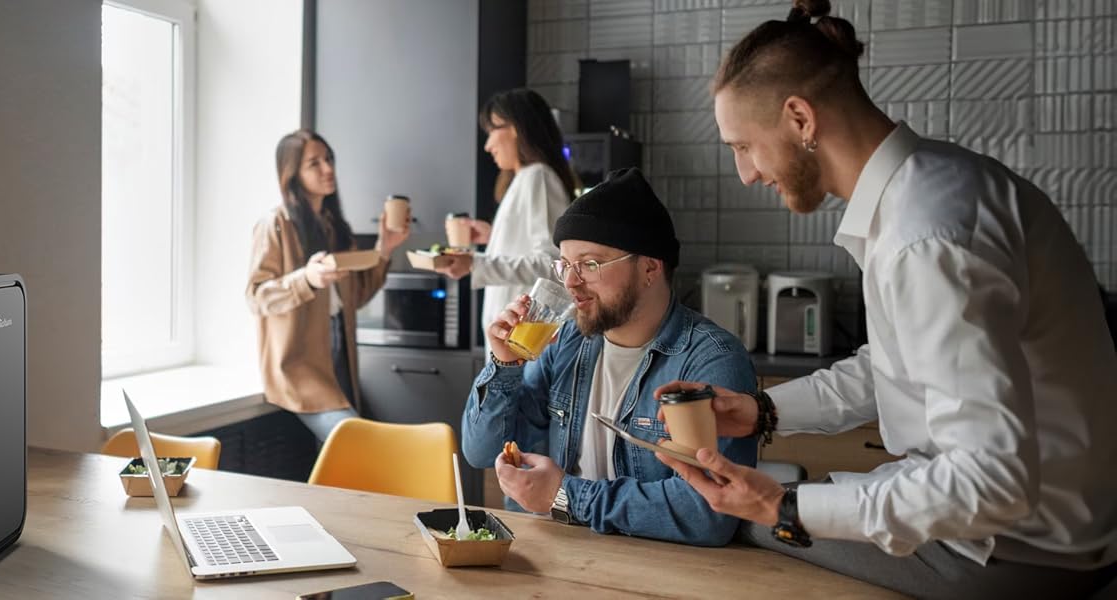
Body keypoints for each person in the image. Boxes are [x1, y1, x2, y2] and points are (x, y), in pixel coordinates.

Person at [652, 1, 1117, 597]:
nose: (746, 173)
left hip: (1017, 551)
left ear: (799, 117)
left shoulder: (922, 237)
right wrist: (761, 410)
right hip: (1052, 525)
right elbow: (893, 366)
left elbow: (991, 483)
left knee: (731, 527)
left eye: (743, 146)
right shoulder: (939, 184)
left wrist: (782, 505)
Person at [460, 168, 758, 546]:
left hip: (659, 572)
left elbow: (707, 515)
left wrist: (566, 495)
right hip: (554, 559)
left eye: (589, 264)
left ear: (650, 267)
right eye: (564, 264)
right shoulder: (567, 343)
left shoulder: (711, 361)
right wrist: (504, 366)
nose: (570, 282)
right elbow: (481, 451)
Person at [246, 130, 410, 442]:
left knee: (350, 457)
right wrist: (306, 279)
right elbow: (256, 297)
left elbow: (357, 297)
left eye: (329, 159)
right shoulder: (274, 225)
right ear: (292, 173)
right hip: (299, 366)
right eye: (314, 163)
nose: (328, 169)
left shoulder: (334, 227)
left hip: (339, 356)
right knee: (356, 444)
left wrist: (385, 249)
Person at [435, 88, 577, 340]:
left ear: (517, 128)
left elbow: (552, 263)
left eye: (492, 131)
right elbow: (533, 251)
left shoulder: (538, 177)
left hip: (525, 342)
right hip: (514, 342)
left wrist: (476, 263)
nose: (488, 145)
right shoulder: (524, 179)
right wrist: (493, 239)